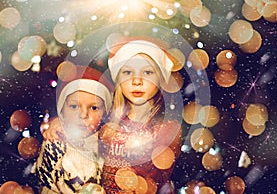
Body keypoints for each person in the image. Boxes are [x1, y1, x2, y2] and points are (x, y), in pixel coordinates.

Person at [99, 39, 183, 194]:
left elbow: (158, 180)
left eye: (148, 72)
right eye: (127, 72)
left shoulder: (166, 128)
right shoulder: (110, 122)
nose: (136, 81)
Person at [35, 66, 114, 193]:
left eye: (94, 108)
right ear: (62, 110)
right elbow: (46, 186)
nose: (83, 115)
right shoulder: (54, 142)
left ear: (104, 112)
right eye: (74, 106)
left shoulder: (108, 145)